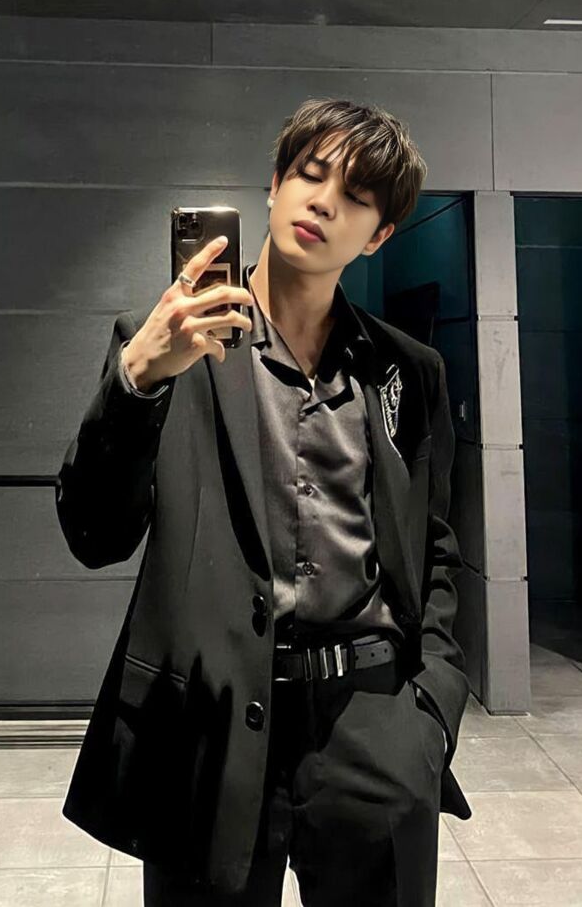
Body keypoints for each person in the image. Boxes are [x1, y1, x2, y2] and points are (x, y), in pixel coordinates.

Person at [55, 96, 472, 906]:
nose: (324, 202)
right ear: (275, 185)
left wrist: (429, 713)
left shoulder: (408, 371)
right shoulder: (166, 344)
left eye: (355, 196)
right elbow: (94, 534)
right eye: (310, 175)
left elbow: (436, 548)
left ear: (379, 234)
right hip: (205, 728)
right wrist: (137, 383)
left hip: (372, 725)